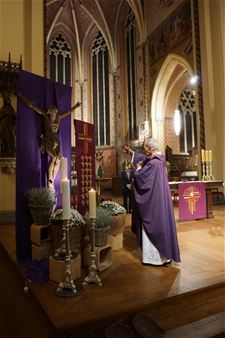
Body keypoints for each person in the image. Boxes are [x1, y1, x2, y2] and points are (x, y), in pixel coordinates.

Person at [123, 138, 180, 266]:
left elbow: (142, 179)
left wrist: (137, 170)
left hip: (153, 202)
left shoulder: (153, 164)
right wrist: (132, 153)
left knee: (153, 224)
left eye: (146, 148)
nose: (145, 150)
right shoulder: (160, 160)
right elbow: (144, 159)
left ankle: (154, 258)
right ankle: (166, 256)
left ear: (150, 148)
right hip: (161, 199)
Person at [18, 92, 81, 188]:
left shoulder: (58, 117)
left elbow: (68, 112)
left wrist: (76, 106)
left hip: (56, 140)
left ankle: (52, 179)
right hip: (48, 139)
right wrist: (21, 96)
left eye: (55, 114)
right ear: (49, 112)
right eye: (51, 114)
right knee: (53, 158)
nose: (53, 116)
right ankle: (49, 179)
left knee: (58, 160)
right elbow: (32, 105)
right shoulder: (45, 115)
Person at [0, 92, 16, 157]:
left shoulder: (11, 109)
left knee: (10, 138)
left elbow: (14, 117)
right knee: (4, 138)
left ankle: (11, 149)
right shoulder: (2, 109)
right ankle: (4, 149)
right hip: (3, 125)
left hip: (10, 125)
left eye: (8, 99)